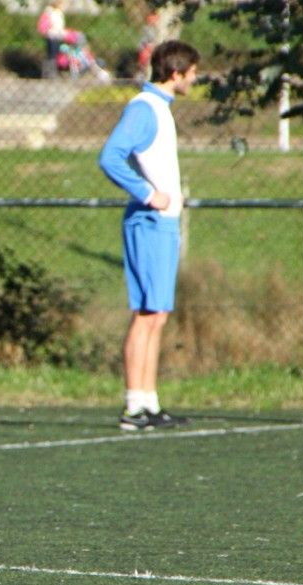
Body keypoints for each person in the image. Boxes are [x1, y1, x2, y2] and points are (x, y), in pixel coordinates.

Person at [98, 40, 200, 431]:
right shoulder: (145, 108)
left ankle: (148, 402)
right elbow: (110, 156)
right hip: (149, 223)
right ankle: (133, 406)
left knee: (157, 315)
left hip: (163, 224)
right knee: (146, 315)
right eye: (192, 71)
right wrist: (147, 193)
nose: (194, 78)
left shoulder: (159, 107)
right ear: (176, 73)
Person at [37, 0, 110, 82]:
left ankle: (54, 72)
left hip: (59, 35)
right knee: (53, 55)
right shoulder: (50, 12)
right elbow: (47, 28)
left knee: (59, 52)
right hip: (53, 35)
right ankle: (51, 73)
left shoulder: (58, 13)